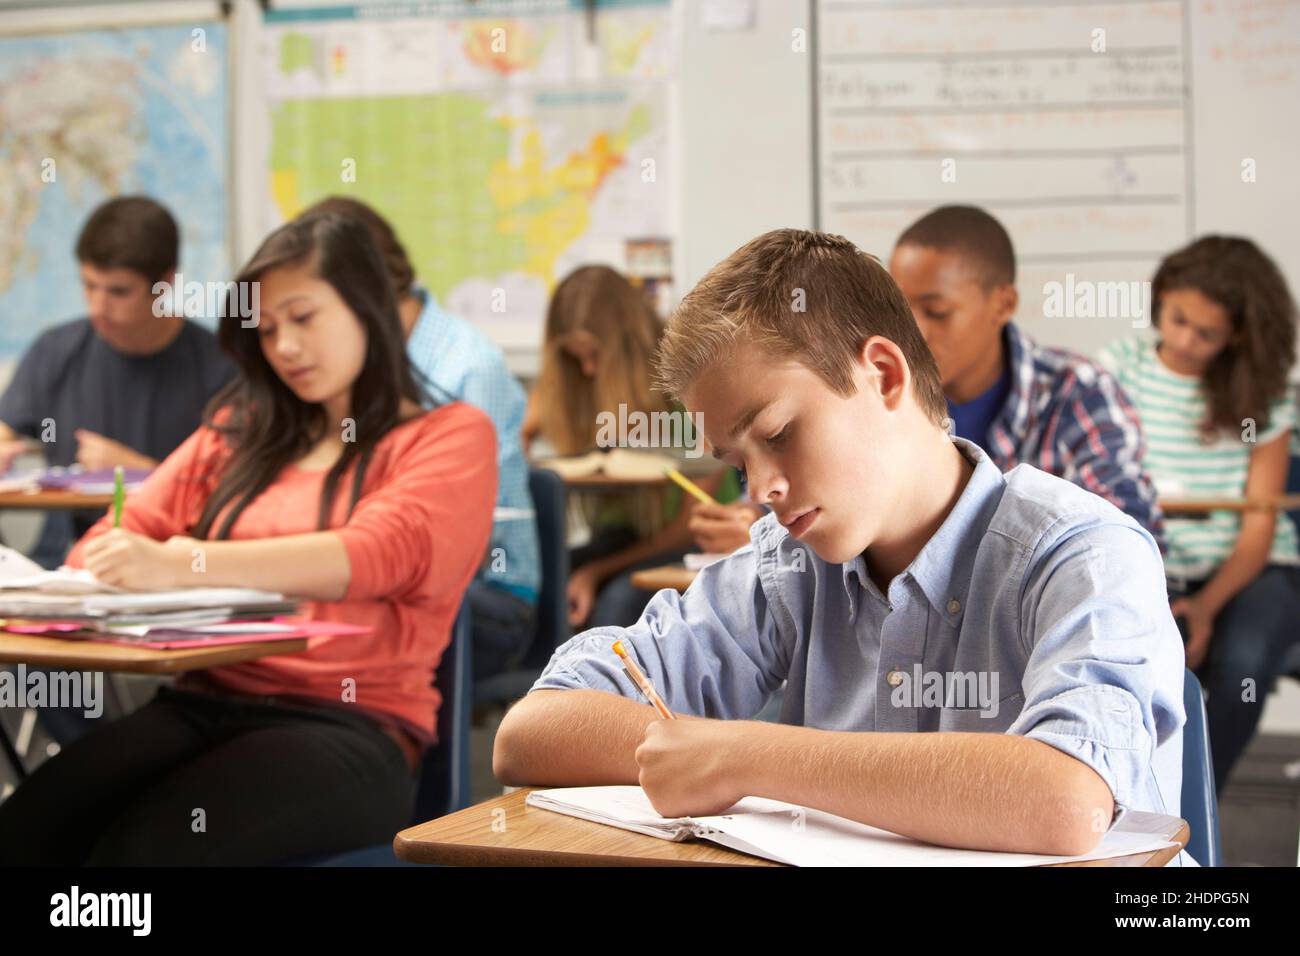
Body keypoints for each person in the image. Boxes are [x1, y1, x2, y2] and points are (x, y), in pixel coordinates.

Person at [494, 229, 1189, 862]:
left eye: (776, 434)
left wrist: (745, 756)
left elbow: (1065, 802)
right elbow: (530, 731)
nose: (761, 487)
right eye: (738, 463)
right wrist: (707, 754)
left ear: (883, 375)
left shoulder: (1083, 553)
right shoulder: (785, 566)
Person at [0, 212, 497, 865]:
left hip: (347, 727)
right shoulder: (238, 429)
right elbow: (120, 531)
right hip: (200, 702)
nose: (284, 345)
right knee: (24, 834)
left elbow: (375, 553)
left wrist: (185, 564)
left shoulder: (450, 435)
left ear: (365, 305)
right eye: (265, 330)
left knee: (136, 859)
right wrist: (119, 559)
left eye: (303, 317)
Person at [302, 196, 540, 681]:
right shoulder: (343, 365)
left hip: (488, 597)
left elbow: (478, 528)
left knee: (347, 619)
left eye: (312, 311)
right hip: (376, 574)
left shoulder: (468, 366)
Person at [1098, 236, 1300, 793]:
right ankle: (1132, 796)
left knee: (1244, 668)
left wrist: (1207, 607)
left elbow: (1258, 528)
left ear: (1238, 335)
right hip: (1151, 559)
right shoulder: (1121, 367)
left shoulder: (1267, 395)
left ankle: (1196, 803)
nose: (1184, 340)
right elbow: (1103, 491)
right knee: (1126, 657)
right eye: (1176, 317)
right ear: (1160, 297)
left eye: (1205, 333)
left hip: (1250, 568)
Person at [887, 205, 1164, 548]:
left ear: (1003, 304)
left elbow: (1126, 540)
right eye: (899, 310)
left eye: (937, 312)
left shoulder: (1080, 392)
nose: (911, 333)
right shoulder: (881, 394)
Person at [0, 196, 233, 568]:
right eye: (89, 285)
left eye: (118, 291)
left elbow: (240, 497)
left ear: (165, 284)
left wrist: (147, 474)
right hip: (63, 569)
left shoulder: (223, 369)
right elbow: (6, 431)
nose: (97, 306)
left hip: (172, 567)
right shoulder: (55, 351)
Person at [524, 265, 741, 629]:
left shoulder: (686, 382)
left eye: (594, 355)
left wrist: (595, 573)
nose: (588, 370)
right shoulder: (578, 385)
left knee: (616, 604)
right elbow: (518, 431)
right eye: (576, 359)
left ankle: (604, 686)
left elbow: (689, 526)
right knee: (546, 580)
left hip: (699, 540)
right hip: (625, 538)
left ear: (624, 349)